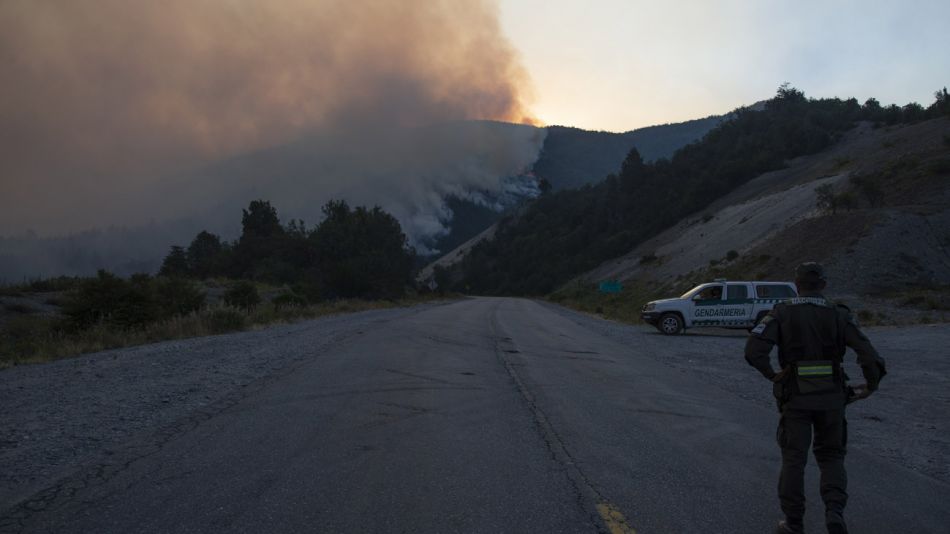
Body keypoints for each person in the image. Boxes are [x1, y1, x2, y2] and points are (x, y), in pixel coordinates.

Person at [744, 262, 887, 534]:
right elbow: (869, 355)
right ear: (823, 285)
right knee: (832, 456)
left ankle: (793, 523)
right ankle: (834, 513)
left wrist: (772, 374)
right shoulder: (838, 314)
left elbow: (753, 350)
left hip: (796, 399)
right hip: (832, 400)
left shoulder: (782, 312)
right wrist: (870, 385)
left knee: (794, 459)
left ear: (796, 285)